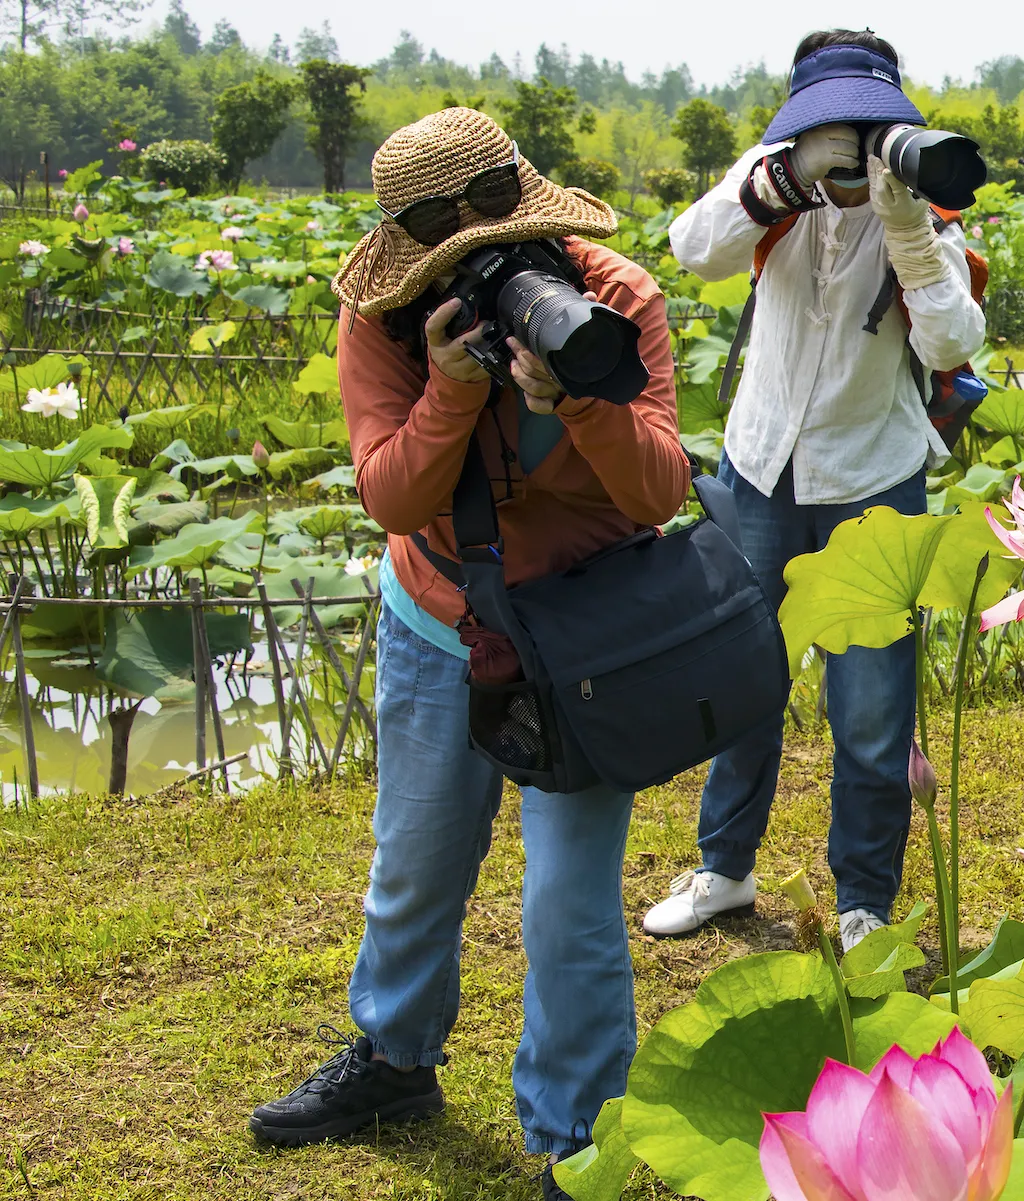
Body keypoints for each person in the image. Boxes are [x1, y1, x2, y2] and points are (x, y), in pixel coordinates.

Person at [250, 106, 689, 1197]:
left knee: (569, 900)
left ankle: (575, 1136)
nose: (487, 279)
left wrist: (579, 398)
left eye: (499, 257)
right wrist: (452, 386)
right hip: (440, 617)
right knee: (415, 862)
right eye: (452, 263)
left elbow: (660, 489)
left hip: (587, 632)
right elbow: (390, 493)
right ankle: (395, 1061)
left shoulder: (616, 296)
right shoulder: (388, 322)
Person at [652, 30, 985, 950]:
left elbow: (953, 343)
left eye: (865, 124)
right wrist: (784, 179)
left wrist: (907, 225)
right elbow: (692, 248)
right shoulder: (770, 187)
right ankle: (725, 867)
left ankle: (864, 901)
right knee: (742, 677)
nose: (849, 142)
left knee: (872, 708)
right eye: (828, 125)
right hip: (760, 466)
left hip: (873, 477)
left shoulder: (917, 214)